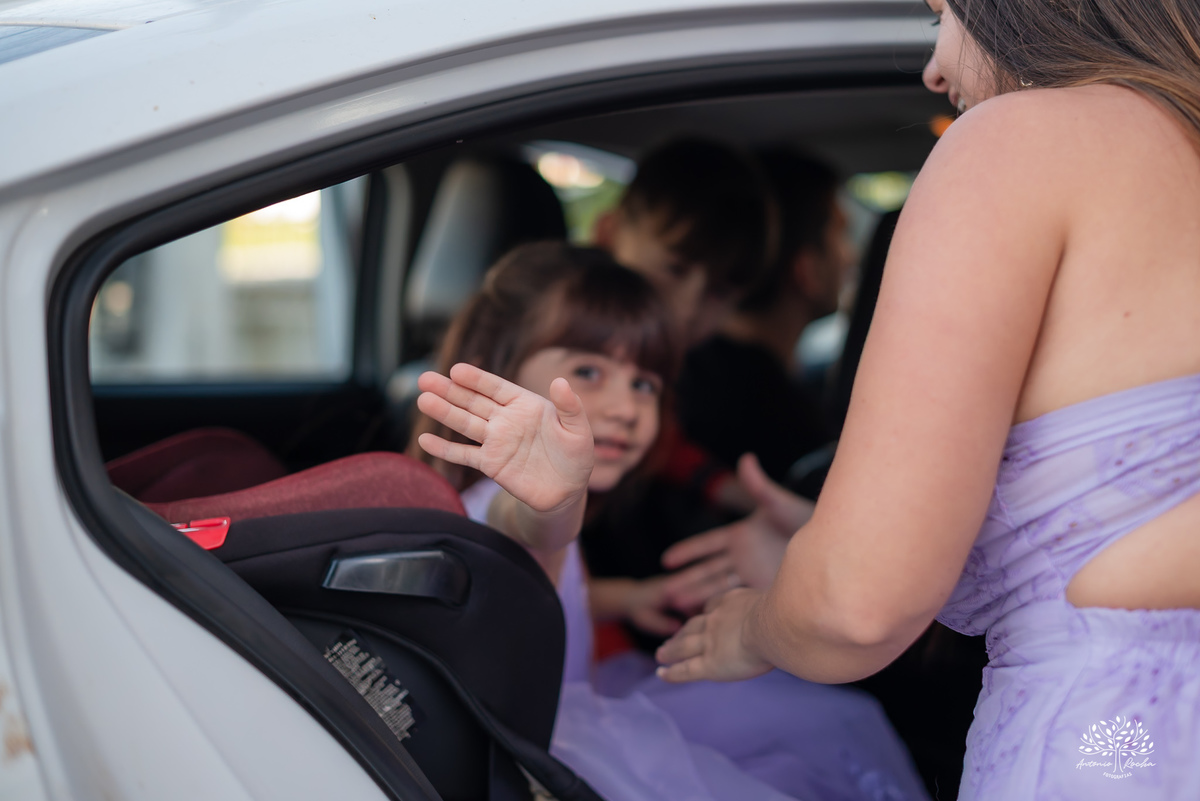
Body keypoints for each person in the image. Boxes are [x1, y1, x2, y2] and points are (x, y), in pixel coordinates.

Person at [656, 1, 1200, 799]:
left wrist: (752, 623)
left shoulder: (1019, 143)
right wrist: (827, 535)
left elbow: (854, 605)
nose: (934, 67)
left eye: (944, 14)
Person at [411, 241, 930, 801]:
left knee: (830, 719)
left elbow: (536, 588)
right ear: (501, 370)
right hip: (555, 746)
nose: (625, 407)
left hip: (589, 704)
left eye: (645, 384)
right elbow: (534, 532)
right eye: (588, 370)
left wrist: (629, 597)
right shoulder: (512, 500)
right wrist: (556, 501)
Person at [677, 149, 851, 486]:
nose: (850, 256)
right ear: (806, 268)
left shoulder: (692, 371)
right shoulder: (787, 423)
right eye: (841, 235)